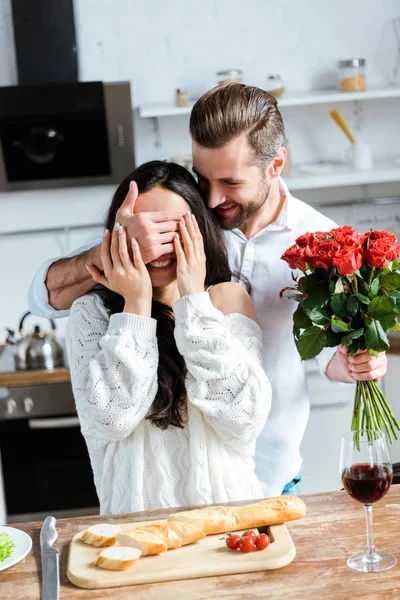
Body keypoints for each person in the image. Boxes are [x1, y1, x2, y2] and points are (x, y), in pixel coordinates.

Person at [28, 84, 387, 498]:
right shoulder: (178, 211)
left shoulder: (321, 240)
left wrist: (348, 364)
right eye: (203, 177)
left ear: (275, 165)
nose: (213, 198)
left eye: (231, 182)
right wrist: (119, 250)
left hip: (271, 470)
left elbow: (324, 349)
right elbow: (45, 295)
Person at [63, 160, 271, 514]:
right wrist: (136, 304)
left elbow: (244, 419)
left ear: (200, 231)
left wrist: (194, 300)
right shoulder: (91, 314)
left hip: (233, 528)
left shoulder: (226, 300)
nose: (157, 249)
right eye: (144, 233)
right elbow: (111, 419)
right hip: (137, 537)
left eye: (172, 230)